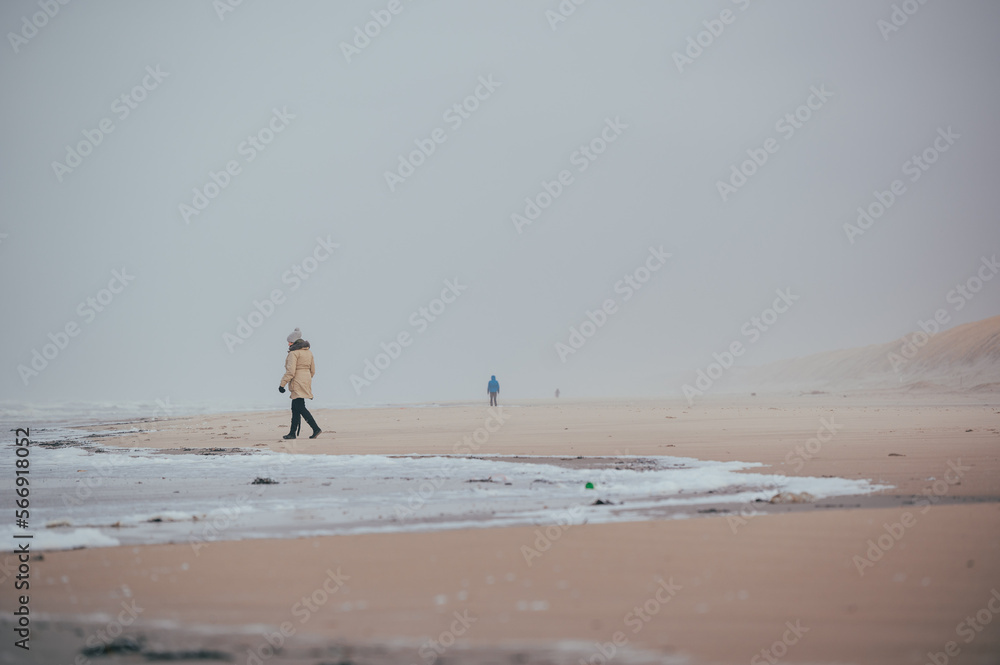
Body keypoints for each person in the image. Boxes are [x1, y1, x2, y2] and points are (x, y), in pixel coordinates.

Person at [278, 328, 321, 440]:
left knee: (300, 407)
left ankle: (316, 428)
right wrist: (306, 379)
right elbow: (313, 370)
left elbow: (291, 371)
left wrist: (282, 384)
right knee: (295, 408)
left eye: (290, 342)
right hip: (306, 380)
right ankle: (292, 433)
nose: (288, 344)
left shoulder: (294, 354)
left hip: (297, 381)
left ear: (295, 342)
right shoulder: (309, 352)